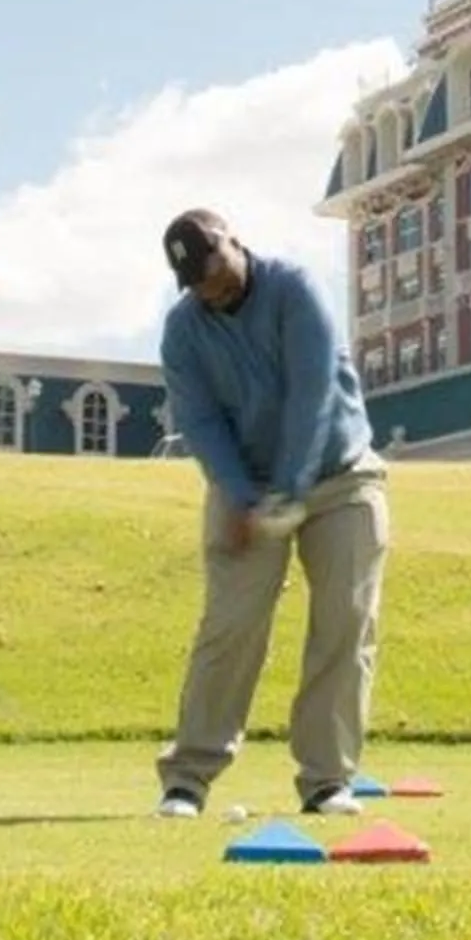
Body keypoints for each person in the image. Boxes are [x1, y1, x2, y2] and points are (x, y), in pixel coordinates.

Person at [151, 208, 391, 820]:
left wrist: (287, 491)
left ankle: (326, 778)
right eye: (197, 282)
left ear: (234, 238)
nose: (211, 287)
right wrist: (238, 494)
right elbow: (201, 423)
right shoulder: (183, 331)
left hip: (342, 477)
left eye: (214, 267)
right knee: (230, 626)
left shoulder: (294, 290)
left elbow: (312, 399)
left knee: (344, 619)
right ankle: (188, 779)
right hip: (247, 487)